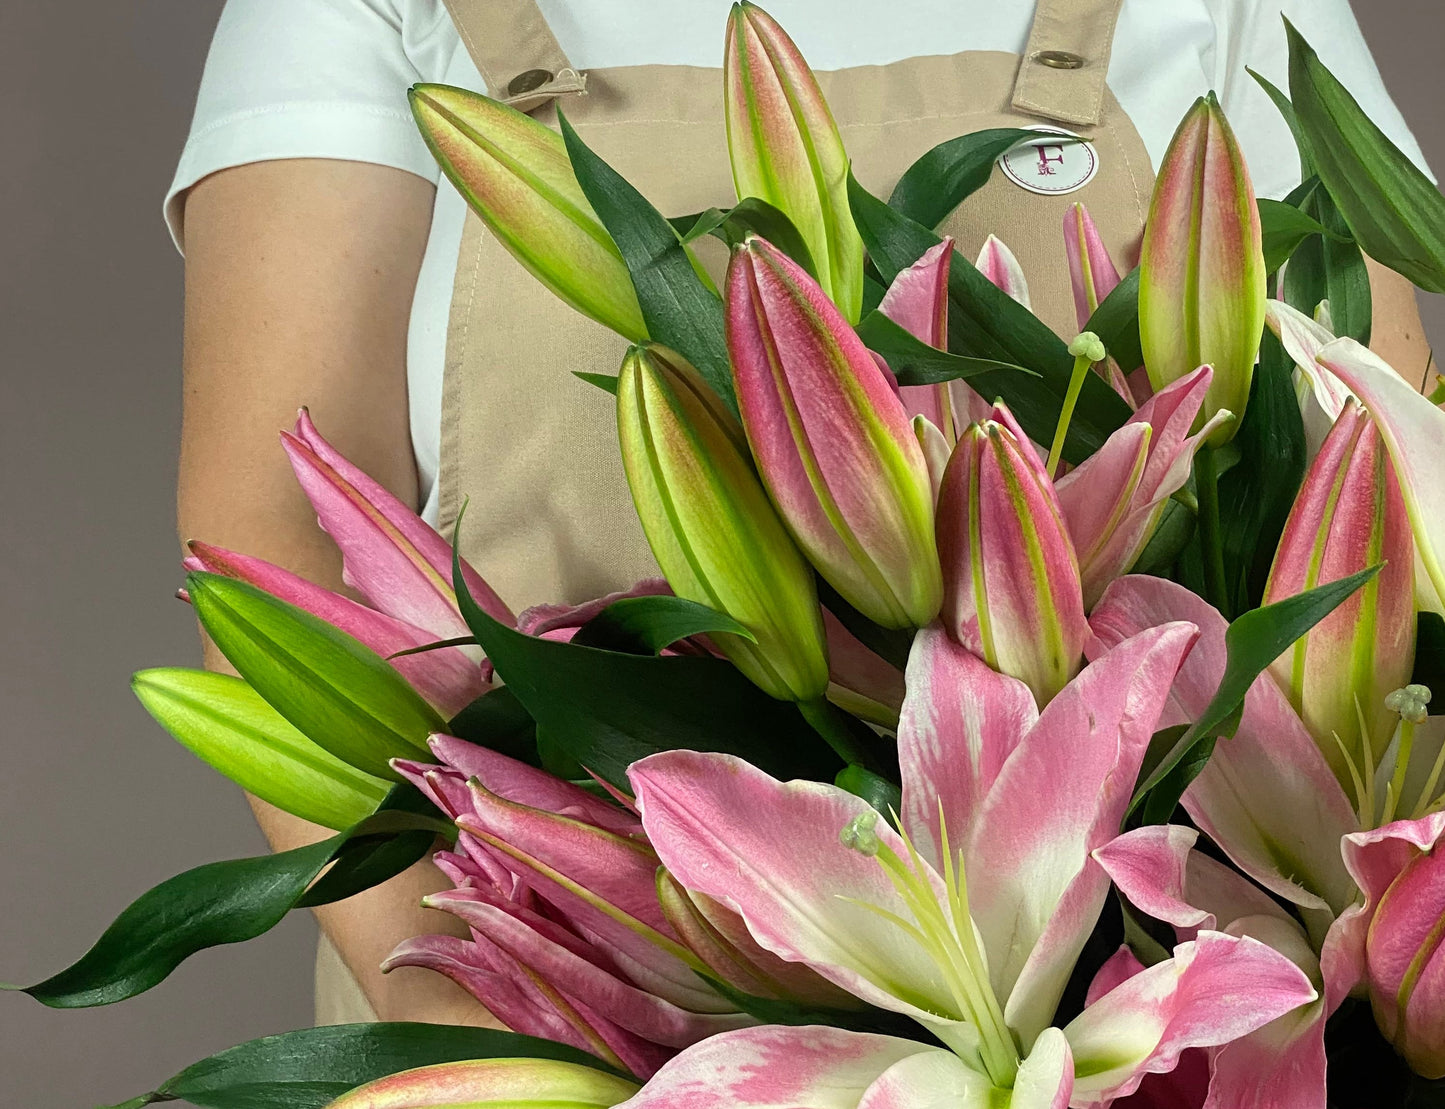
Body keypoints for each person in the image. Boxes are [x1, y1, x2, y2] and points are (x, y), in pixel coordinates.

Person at [169, 0, 1436, 1028]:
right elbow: (273, 528)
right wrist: (501, 1014)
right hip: (549, 992)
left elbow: (1388, 469)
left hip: (1150, 1010)